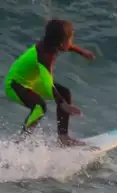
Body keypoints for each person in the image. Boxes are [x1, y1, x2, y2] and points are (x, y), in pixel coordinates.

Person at [3, 19, 96, 147]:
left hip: (30, 82)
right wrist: (62, 103)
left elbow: (67, 46)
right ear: (61, 42)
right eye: (70, 39)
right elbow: (47, 82)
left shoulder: (50, 44)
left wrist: (82, 52)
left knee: (64, 92)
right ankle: (20, 143)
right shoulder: (44, 56)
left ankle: (63, 137)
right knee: (40, 107)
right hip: (14, 85)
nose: (71, 42)